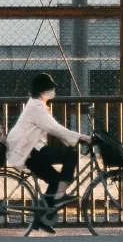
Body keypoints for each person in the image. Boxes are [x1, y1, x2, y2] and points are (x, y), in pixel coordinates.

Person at [6, 72, 87, 231]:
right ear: (42, 90)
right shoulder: (36, 107)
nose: (53, 91)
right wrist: (81, 137)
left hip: (31, 150)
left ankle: (41, 218)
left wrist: (74, 138)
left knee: (55, 180)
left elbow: (53, 128)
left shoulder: (37, 105)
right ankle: (60, 195)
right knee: (70, 155)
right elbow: (53, 128)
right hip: (30, 150)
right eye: (51, 89)